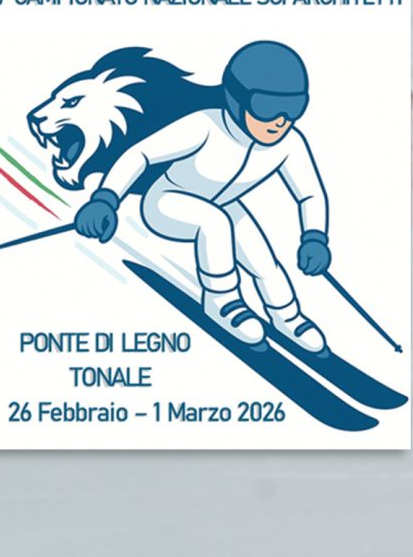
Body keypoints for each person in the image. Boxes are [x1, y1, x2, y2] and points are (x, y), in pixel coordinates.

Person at [71, 40, 333, 352]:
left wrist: (315, 237)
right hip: (166, 202)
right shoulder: (207, 125)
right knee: (215, 223)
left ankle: (287, 316)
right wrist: (106, 199)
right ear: (237, 100)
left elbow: (310, 194)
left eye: (293, 109)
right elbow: (141, 154)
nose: (280, 120)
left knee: (263, 260)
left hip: (222, 205)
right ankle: (222, 301)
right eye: (265, 107)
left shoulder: (289, 144)